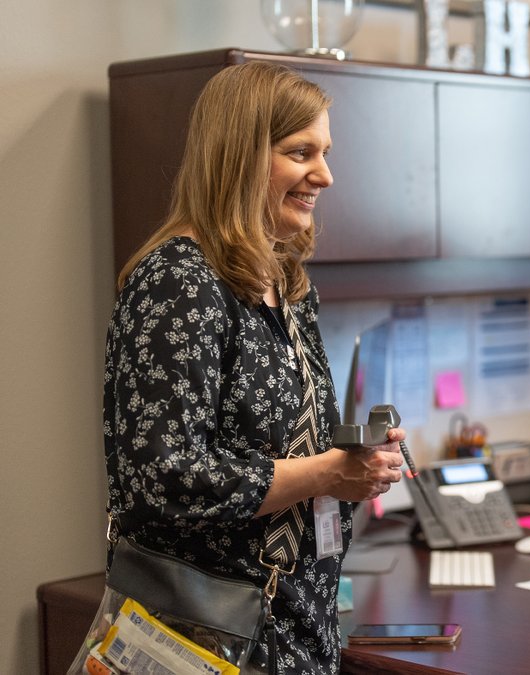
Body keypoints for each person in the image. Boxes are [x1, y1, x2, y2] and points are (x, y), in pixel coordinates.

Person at [103, 62, 406, 674]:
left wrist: (357, 459)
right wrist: (327, 472)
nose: (324, 175)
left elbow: (283, 444)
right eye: (300, 153)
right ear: (239, 157)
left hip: (295, 624)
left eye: (324, 153)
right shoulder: (179, 282)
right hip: (206, 636)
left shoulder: (285, 284)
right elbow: (163, 479)